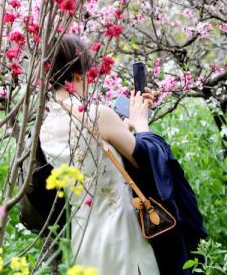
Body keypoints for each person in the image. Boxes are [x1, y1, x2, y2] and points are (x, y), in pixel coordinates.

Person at [39, 34, 160, 274]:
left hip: (86, 238)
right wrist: (140, 123)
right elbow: (146, 161)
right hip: (123, 233)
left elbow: (92, 155)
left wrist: (122, 127)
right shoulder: (99, 115)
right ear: (77, 74)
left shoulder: (46, 128)